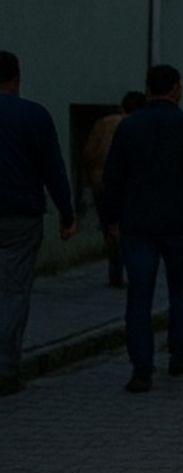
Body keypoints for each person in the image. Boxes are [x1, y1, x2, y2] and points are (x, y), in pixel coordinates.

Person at [101, 64, 183, 393]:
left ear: (148, 89)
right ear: (176, 88)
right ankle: (179, 356)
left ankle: (141, 369)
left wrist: (110, 220)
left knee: (139, 296)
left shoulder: (129, 126)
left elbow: (113, 177)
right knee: (181, 293)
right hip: (182, 224)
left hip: (138, 224)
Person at [0, 50, 77, 396]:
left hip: (20, 211)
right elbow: (53, 168)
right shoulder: (33, 116)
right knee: (13, 293)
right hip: (20, 214)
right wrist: (67, 213)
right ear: (16, 77)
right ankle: (5, 368)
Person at [83, 90, 146, 287]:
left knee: (109, 228)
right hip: (125, 184)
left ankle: (115, 270)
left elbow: (88, 153)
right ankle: (129, 270)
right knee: (130, 230)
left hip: (99, 182)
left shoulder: (103, 123)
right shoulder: (136, 125)